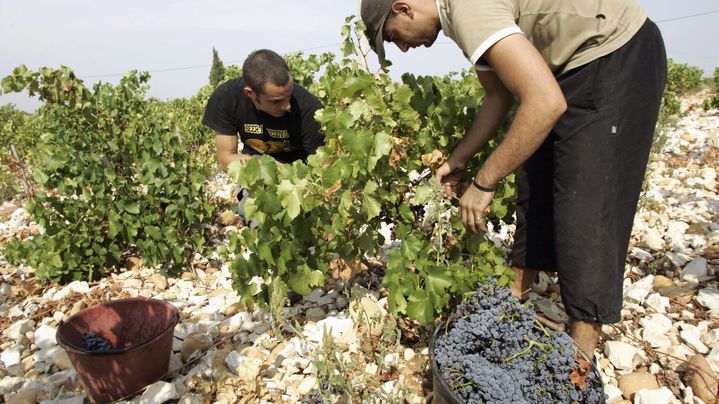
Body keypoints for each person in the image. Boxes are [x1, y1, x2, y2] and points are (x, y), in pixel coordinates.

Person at [361, 0, 667, 355]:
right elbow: (498, 96)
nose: (402, 47)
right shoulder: (458, 16)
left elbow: (545, 103)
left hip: (615, 54)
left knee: (586, 211)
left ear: (403, 8)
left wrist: (484, 182)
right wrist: (459, 160)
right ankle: (508, 305)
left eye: (394, 36)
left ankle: (578, 366)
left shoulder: (467, 10)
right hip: (568, 68)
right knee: (533, 185)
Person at [202, 49, 325, 222]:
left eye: (288, 96)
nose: (287, 106)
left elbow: (324, 169)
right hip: (256, 168)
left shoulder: (309, 108)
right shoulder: (227, 99)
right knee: (260, 219)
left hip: (301, 173)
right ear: (250, 93)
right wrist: (266, 165)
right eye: (276, 101)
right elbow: (226, 160)